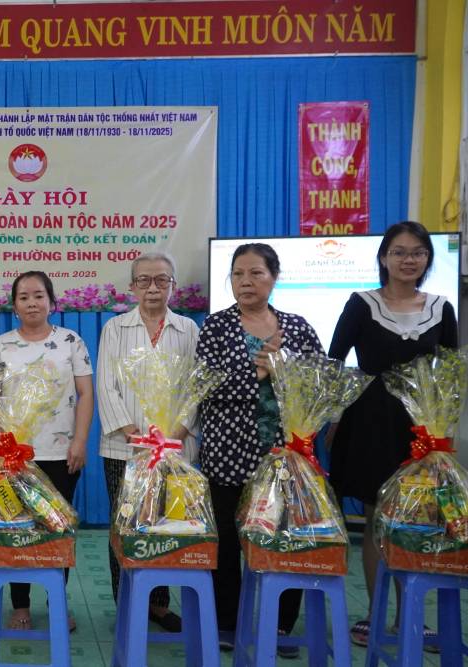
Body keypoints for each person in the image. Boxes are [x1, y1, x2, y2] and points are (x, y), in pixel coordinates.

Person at [327, 221, 457, 648]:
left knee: (417, 520)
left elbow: (450, 374)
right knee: (376, 517)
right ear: (384, 257)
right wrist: (330, 418)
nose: (408, 260)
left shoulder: (442, 308)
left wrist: (442, 430)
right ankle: (375, 614)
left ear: (427, 259)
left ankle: (412, 616)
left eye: (417, 252)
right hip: (368, 422)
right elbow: (334, 362)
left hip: (419, 426)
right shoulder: (361, 303)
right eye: (399, 252)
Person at [196, 243, 322, 656]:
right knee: (229, 540)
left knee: (284, 536)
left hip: (285, 451)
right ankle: (227, 622)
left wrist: (283, 372)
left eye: (255, 273)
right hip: (227, 451)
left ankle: (282, 625)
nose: (246, 282)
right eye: (238, 275)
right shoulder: (216, 327)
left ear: (273, 277)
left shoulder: (298, 327)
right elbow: (205, 388)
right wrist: (257, 372)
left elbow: (317, 386)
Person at [0, 270, 93, 632]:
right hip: (14, 457)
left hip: (62, 454)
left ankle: (57, 599)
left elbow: (86, 394)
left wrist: (79, 441)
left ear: (51, 301)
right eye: (24, 297)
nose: (32, 302)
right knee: (17, 528)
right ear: (14, 306)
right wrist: (0, 447)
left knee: (57, 531)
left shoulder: (71, 341)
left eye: (38, 296)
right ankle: (20, 605)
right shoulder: (1, 345)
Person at [95, 251, 198, 632]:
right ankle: (126, 602)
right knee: (123, 527)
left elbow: (193, 390)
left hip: (174, 450)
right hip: (124, 449)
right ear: (132, 286)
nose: (153, 287)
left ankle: (157, 604)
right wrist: (133, 434)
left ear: (173, 285)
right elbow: (106, 387)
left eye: (161, 280)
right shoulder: (115, 329)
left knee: (163, 526)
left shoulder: (188, 329)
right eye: (145, 280)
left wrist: (175, 436)